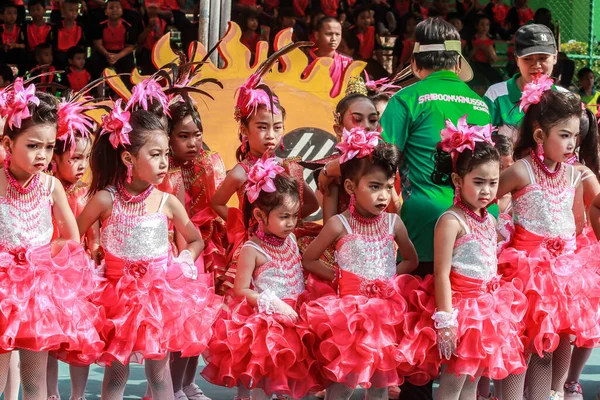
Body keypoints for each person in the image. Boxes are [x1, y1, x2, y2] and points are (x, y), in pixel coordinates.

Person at [77, 87, 222, 398]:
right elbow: (74, 236)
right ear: (128, 157)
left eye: (165, 154)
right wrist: (89, 266)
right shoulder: (105, 199)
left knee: (159, 374)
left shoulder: (166, 201)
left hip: (158, 300)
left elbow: (195, 240)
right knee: (117, 372)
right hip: (117, 301)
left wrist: (184, 260)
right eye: (155, 154)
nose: (163, 162)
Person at [380, 17, 490, 400]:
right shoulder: (480, 104)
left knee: (419, 336)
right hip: (476, 225)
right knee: (468, 336)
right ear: (457, 65)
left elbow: (382, 163)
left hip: (424, 227)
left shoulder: (405, 99)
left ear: (414, 63)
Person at [497, 77, 600, 400]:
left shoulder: (575, 175)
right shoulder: (520, 171)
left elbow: (576, 220)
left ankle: (549, 394)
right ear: (540, 135)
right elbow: (484, 204)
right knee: (520, 346)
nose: (571, 144)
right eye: (564, 135)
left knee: (548, 344)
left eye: (575, 136)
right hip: (524, 274)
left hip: (563, 275)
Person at [0, 78, 103, 398]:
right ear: (7, 144)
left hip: (38, 293)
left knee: (35, 382)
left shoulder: (50, 186)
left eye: (48, 147)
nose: (42, 155)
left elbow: (71, 239)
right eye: (32, 145)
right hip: (2, 290)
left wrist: (39, 255)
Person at [301, 132, 420, 400]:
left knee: (381, 382)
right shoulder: (338, 224)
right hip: (349, 316)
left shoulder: (393, 223)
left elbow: (410, 260)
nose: (383, 195)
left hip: (386, 316)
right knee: (344, 381)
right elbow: (309, 258)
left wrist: (389, 278)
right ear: (350, 187)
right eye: (374, 187)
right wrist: (339, 277)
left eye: (389, 187)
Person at [203, 158, 325, 400]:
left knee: (289, 384)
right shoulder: (252, 249)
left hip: (295, 320)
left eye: (294, 215)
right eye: (284, 217)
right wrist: (273, 303)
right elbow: (241, 291)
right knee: (262, 384)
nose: (291, 223)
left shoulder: (290, 239)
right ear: (259, 214)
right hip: (266, 325)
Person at [428, 117, 527, 400]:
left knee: (473, 378)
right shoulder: (451, 220)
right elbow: (441, 272)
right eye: (478, 182)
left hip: (487, 309)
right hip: (462, 311)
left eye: (493, 182)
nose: (486, 190)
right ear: (458, 180)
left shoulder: (486, 218)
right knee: (454, 382)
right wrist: (446, 319)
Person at [211, 44, 319, 294]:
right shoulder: (239, 173)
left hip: (286, 244)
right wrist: (244, 225)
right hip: (253, 247)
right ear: (244, 131)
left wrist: (287, 219)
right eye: (262, 127)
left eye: (277, 127)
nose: (271, 135)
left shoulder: (289, 167)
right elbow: (217, 203)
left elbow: (311, 205)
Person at [158, 99, 227, 400]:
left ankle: (186, 383)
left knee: (199, 321)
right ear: (168, 136)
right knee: (178, 323)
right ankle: (166, 387)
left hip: (206, 247)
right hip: (177, 250)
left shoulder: (210, 163)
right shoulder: (163, 170)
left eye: (196, 134)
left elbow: (220, 208)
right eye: (183, 136)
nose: (192, 142)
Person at [46, 96, 100, 400]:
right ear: (56, 158)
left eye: (86, 158)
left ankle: (77, 395)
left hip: (79, 274)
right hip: (49, 269)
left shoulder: (86, 193)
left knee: (80, 336)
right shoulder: (47, 190)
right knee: (50, 341)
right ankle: (51, 392)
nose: (81, 166)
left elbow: (94, 236)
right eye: (75, 158)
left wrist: (95, 256)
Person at [563, 108, 600, 400]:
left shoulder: (583, 173)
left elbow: (594, 209)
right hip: (557, 249)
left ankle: (571, 381)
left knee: (586, 321)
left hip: (582, 252)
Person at [483, 24, 565, 141]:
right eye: (527, 59)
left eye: (543, 58)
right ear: (517, 59)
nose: (536, 65)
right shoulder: (495, 95)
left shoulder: (565, 98)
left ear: (555, 57)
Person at [88, 0, 136, 82]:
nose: (114, 10)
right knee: (92, 62)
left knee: (129, 65)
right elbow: (98, 44)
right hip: (104, 53)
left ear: (122, 11)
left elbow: (130, 47)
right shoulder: (100, 26)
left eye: (117, 7)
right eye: (111, 8)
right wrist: (107, 55)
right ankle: (95, 89)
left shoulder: (128, 27)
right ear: (105, 12)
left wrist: (117, 56)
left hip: (121, 54)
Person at [304, 16, 353, 97]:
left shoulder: (347, 63)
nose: (334, 38)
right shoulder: (305, 63)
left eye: (337, 34)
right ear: (316, 35)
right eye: (329, 34)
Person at [51, 0, 86, 70]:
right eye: (71, 10)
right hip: (60, 57)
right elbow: (53, 46)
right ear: (63, 11)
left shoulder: (80, 27)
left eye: (76, 10)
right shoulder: (57, 27)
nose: (74, 13)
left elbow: (82, 45)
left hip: (75, 57)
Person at [23, 0, 52, 70]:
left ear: (44, 10)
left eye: (38, 9)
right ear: (29, 12)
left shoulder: (50, 28)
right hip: (31, 54)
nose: (36, 12)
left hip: (46, 53)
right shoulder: (26, 26)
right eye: (33, 10)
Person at [0, 4, 25, 70]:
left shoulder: (20, 29)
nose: (12, 16)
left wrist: (15, 45)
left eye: (15, 13)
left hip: (16, 56)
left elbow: (25, 45)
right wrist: (3, 46)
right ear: (2, 16)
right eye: (9, 13)